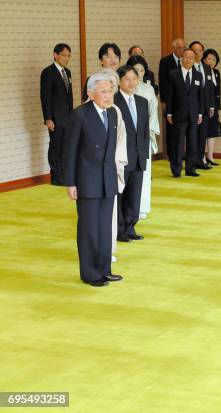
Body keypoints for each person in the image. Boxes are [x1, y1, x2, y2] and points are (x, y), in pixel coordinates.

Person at [63, 71, 124, 287]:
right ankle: (89, 273)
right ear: (91, 93)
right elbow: (69, 151)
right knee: (89, 227)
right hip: (87, 180)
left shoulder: (113, 114)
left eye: (111, 91)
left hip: (108, 179)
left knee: (105, 227)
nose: (109, 96)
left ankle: (104, 269)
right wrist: (70, 182)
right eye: (104, 91)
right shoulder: (79, 115)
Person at [114, 66, 149, 242]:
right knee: (120, 195)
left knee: (134, 195)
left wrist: (144, 155)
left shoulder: (143, 102)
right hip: (121, 158)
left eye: (134, 78)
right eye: (127, 79)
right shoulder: (113, 101)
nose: (131, 82)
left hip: (138, 157)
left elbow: (144, 132)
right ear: (119, 81)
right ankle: (119, 230)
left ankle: (130, 227)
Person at [126, 55, 160, 220]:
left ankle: (143, 207)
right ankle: (129, 207)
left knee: (144, 173)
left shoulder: (148, 89)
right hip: (128, 137)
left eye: (141, 70)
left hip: (144, 135)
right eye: (135, 70)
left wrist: (150, 134)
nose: (139, 74)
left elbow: (153, 113)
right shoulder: (123, 89)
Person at [165, 48, 204, 177]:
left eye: (191, 58)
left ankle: (191, 169)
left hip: (194, 114)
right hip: (178, 114)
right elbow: (169, 95)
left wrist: (200, 114)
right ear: (182, 58)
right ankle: (176, 170)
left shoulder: (198, 75)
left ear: (194, 60)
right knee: (178, 143)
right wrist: (169, 113)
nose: (188, 60)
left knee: (193, 142)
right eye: (186, 57)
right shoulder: (173, 74)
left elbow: (200, 96)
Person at [40, 43, 73, 185]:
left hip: (67, 117)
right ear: (55, 55)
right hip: (55, 117)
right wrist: (48, 118)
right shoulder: (48, 72)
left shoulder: (68, 72)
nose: (66, 58)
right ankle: (55, 177)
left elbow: (69, 96)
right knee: (55, 146)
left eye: (68, 56)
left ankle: (64, 175)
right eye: (64, 55)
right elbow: (45, 96)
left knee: (66, 146)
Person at [159, 38, 185, 160]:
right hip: (170, 100)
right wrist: (164, 101)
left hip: (183, 101)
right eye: (179, 48)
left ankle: (181, 153)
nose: (182, 50)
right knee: (171, 128)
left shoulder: (186, 61)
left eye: (184, 47)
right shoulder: (165, 61)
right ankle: (170, 153)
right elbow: (163, 82)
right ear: (173, 48)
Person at [190, 41, 215, 169]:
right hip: (193, 108)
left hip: (205, 108)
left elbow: (209, 88)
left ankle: (200, 160)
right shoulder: (188, 67)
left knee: (202, 136)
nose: (197, 53)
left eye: (199, 50)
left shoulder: (206, 67)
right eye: (194, 50)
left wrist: (211, 106)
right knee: (192, 136)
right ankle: (192, 161)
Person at [204, 48, 221, 166]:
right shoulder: (200, 72)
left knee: (212, 132)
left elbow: (218, 91)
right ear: (204, 60)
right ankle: (202, 157)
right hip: (204, 107)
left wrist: (218, 107)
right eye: (209, 59)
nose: (211, 61)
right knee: (203, 132)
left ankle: (210, 156)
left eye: (214, 59)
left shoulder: (216, 72)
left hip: (214, 107)